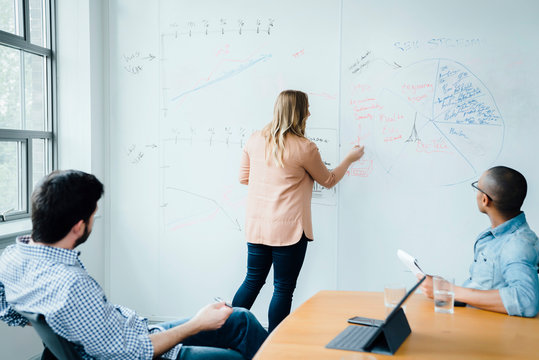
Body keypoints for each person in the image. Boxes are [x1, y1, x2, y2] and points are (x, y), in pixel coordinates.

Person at [0, 170, 267, 359]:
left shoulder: (11, 258)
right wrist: (198, 323)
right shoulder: (72, 285)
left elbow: (8, 312)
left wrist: (61, 327)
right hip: (139, 350)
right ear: (78, 227)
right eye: (94, 215)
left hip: (132, 333)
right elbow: (134, 354)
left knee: (239, 319)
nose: (94, 219)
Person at [232, 90, 365, 332]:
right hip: (289, 230)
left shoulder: (254, 139)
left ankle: (224, 333)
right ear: (299, 113)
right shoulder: (305, 148)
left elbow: (244, 178)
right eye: (307, 108)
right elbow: (329, 179)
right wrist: (350, 158)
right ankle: (276, 346)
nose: (310, 113)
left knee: (252, 281)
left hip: (257, 227)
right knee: (282, 288)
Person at [418, 166, 539, 317]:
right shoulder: (496, 235)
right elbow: (485, 285)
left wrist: (450, 290)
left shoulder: (516, 244)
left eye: (477, 187)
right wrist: (446, 291)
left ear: (484, 199)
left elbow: (527, 302)